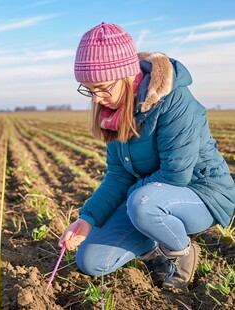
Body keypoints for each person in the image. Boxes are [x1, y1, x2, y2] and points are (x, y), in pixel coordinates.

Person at [58, 22, 235, 288]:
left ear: (128, 75)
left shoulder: (175, 101)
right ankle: (153, 250)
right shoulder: (112, 112)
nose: (96, 99)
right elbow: (118, 174)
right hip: (149, 198)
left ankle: (181, 252)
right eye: (88, 89)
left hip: (202, 193)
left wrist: (128, 205)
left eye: (103, 88)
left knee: (142, 205)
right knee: (92, 260)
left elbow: (175, 174)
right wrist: (88, 218)